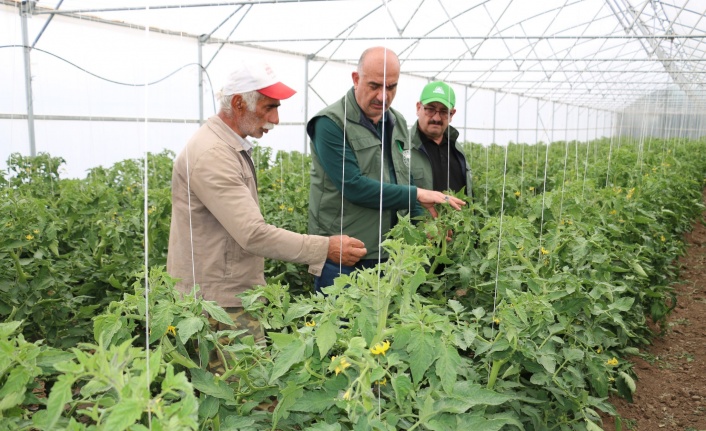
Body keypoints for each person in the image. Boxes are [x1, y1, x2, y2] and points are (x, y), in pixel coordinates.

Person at [167, 59, 367, 343]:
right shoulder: (213, 154)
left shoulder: (227, 146)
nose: (275, 119)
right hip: (217, 305)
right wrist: (325, 248)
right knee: (241, 384)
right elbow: (252, 234)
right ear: (238, 103)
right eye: (269, 107)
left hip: (226, 295)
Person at [307, 47, 465, 290]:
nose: (383, 96)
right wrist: (417, 193)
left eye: (391, 87)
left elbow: (405, 180)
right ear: (356, 79)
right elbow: (354, 186)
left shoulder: (398, 122)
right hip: (345, 257)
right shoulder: (330, 123)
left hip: (391, 256)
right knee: (340, 325)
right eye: (374, 86)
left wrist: (427, 225)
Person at [408, 81, 472, 196]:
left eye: (444, 112)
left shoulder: (456, 149)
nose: (436, 118)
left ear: (452, 114)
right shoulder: (402, 146)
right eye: (430, 109)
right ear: (418, 108)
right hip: (422, 215)